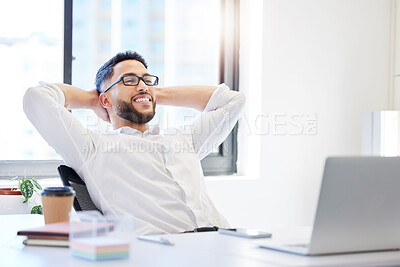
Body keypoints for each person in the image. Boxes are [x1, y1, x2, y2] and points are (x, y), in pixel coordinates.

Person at [23, 50, 245, 235]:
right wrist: (93, 100)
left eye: (147, 80)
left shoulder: (183, 138)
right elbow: (37, 98)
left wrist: (151, 93)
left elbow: (233, 100)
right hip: (164, 252)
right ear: (105, 99)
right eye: (129, 80)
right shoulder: (91, 147)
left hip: (225, 240)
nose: (142, 85)